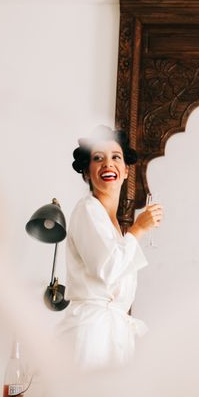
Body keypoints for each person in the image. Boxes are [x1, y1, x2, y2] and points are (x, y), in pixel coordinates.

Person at [57, 125, 162, 370]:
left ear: (126, 170)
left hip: (111, 331)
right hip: (92, 333)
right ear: (86, 172)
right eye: (98, 158)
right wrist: (138, 229)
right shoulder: (88, 210)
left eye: (116, 157)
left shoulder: (111, 222)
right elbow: (108, 269)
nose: (108, 164)